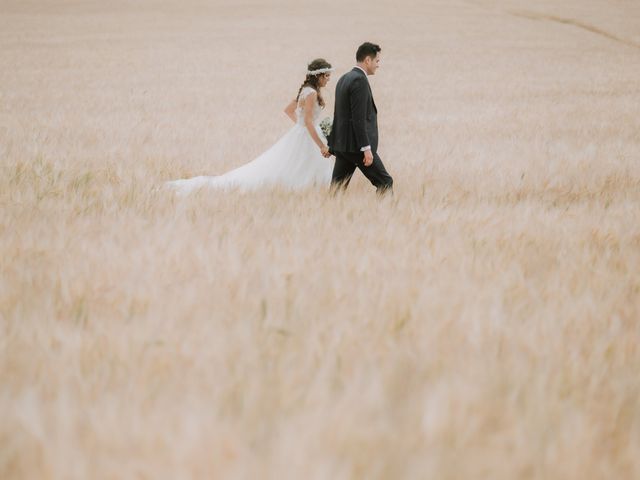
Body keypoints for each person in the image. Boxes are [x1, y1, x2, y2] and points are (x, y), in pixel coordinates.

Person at [166, 59, 334, 194]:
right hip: (306, 134)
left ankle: (309, 190)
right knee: (298, 165)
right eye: (326, 76)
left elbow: (290, 111)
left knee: (295, 164)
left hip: (300, 133)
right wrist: (320, 144)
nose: (328, 79)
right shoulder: (311, 93)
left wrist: (300, 125)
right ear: (318, 76)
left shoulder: (305, 89)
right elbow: (308, 120)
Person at [328, 42, 393, 194]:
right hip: (356, 147)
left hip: (343, 147)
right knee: (385, 182)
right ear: (367, 60)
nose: (378, 65)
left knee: (336, 190)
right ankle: (384, 215)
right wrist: (366, 148)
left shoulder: (344, 78)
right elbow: (358, 118)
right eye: (377, 61)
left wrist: (333, 145)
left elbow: (338, 115)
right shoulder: (359, 80)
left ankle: (328, 214)